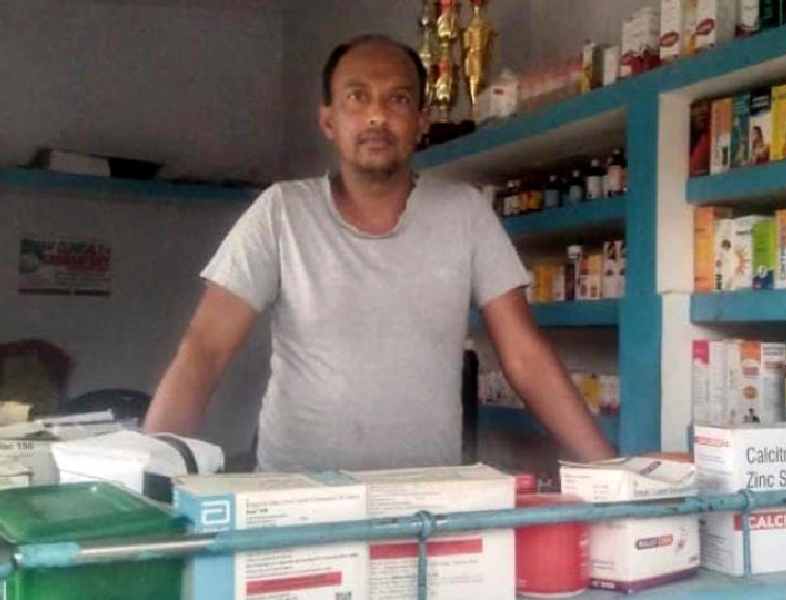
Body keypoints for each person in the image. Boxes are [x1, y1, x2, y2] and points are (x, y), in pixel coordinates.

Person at [144, 34, 616, 471]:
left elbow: (525, 357)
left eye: (398, 99)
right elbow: (204, 350)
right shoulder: (281, 212)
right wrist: (151, 476)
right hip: (295, 497)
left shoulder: (465, 214)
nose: (377, 116)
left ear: (420, 122)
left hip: (421, 508)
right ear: (328, 120)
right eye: (357, 97)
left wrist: (609, 472)